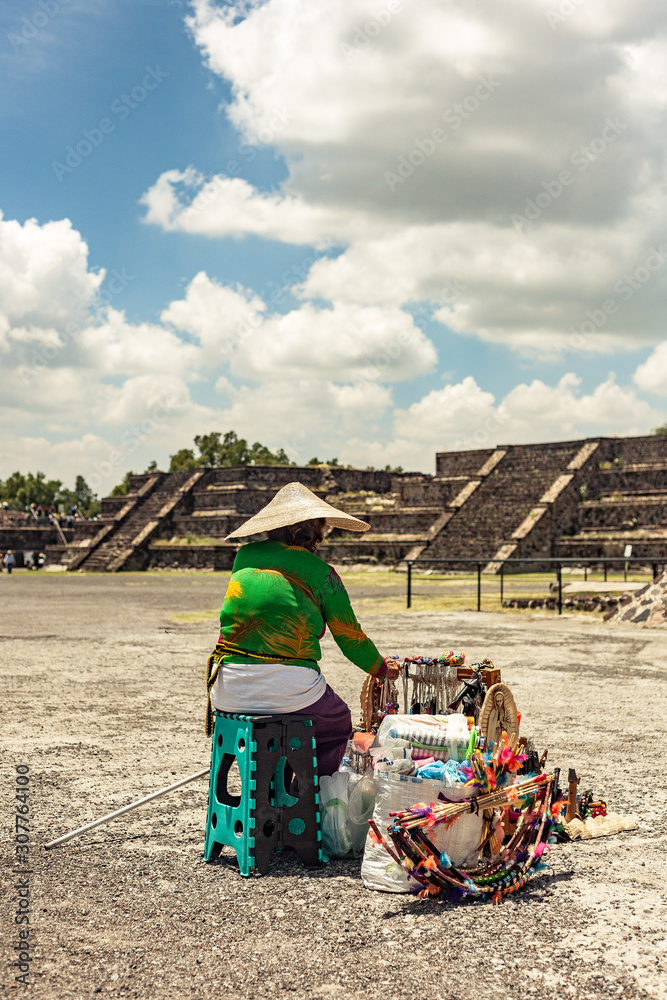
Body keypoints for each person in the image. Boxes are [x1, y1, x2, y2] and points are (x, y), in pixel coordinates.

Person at [206, 482, 400, 777]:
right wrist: (382, 669)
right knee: (336, 720)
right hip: (287, 686)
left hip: (226, 684)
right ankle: (305, 801)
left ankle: (266, 793)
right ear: (315, 532)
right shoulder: (322, 574)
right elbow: (351, 639)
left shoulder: (243, 556)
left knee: (276, 735)